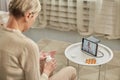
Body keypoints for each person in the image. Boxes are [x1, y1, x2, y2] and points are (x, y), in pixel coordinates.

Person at [0, 0, 77, 80]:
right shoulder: (27, 45)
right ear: (28, 15)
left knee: (42, 62)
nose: (33, 22)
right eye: (35, 18)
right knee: (71, 70)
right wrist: (46, 72)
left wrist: (35, 57)